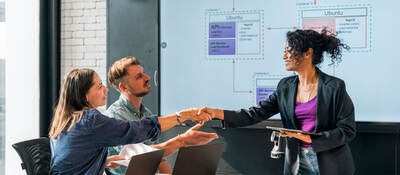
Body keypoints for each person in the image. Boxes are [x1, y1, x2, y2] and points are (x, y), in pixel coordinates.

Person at [200, 28, 356, 175]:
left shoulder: (334, 87)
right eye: (284, 52)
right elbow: (256, 113)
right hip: (297, 162)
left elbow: (347, 130)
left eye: (289, 51)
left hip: (330, 164)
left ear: (308, 53)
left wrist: (312, 138)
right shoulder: (285, 86)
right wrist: (216, 113)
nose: (284, 56)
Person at [48, 68, 217, 175]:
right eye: (99, 86)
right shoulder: (90, 120)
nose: (106, 89)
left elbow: (70, 159)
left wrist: (100, 162)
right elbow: (137, 131)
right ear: (84, 95)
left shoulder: (67, 121)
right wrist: (184, 115)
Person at [106, 56, 218, 174]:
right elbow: (138, 156)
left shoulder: (145, 113)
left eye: (143, 73)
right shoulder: (114, 116)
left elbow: (159, 160)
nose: (147, 77)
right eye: (139, 76)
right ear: (124, 87)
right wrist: (182, 140)